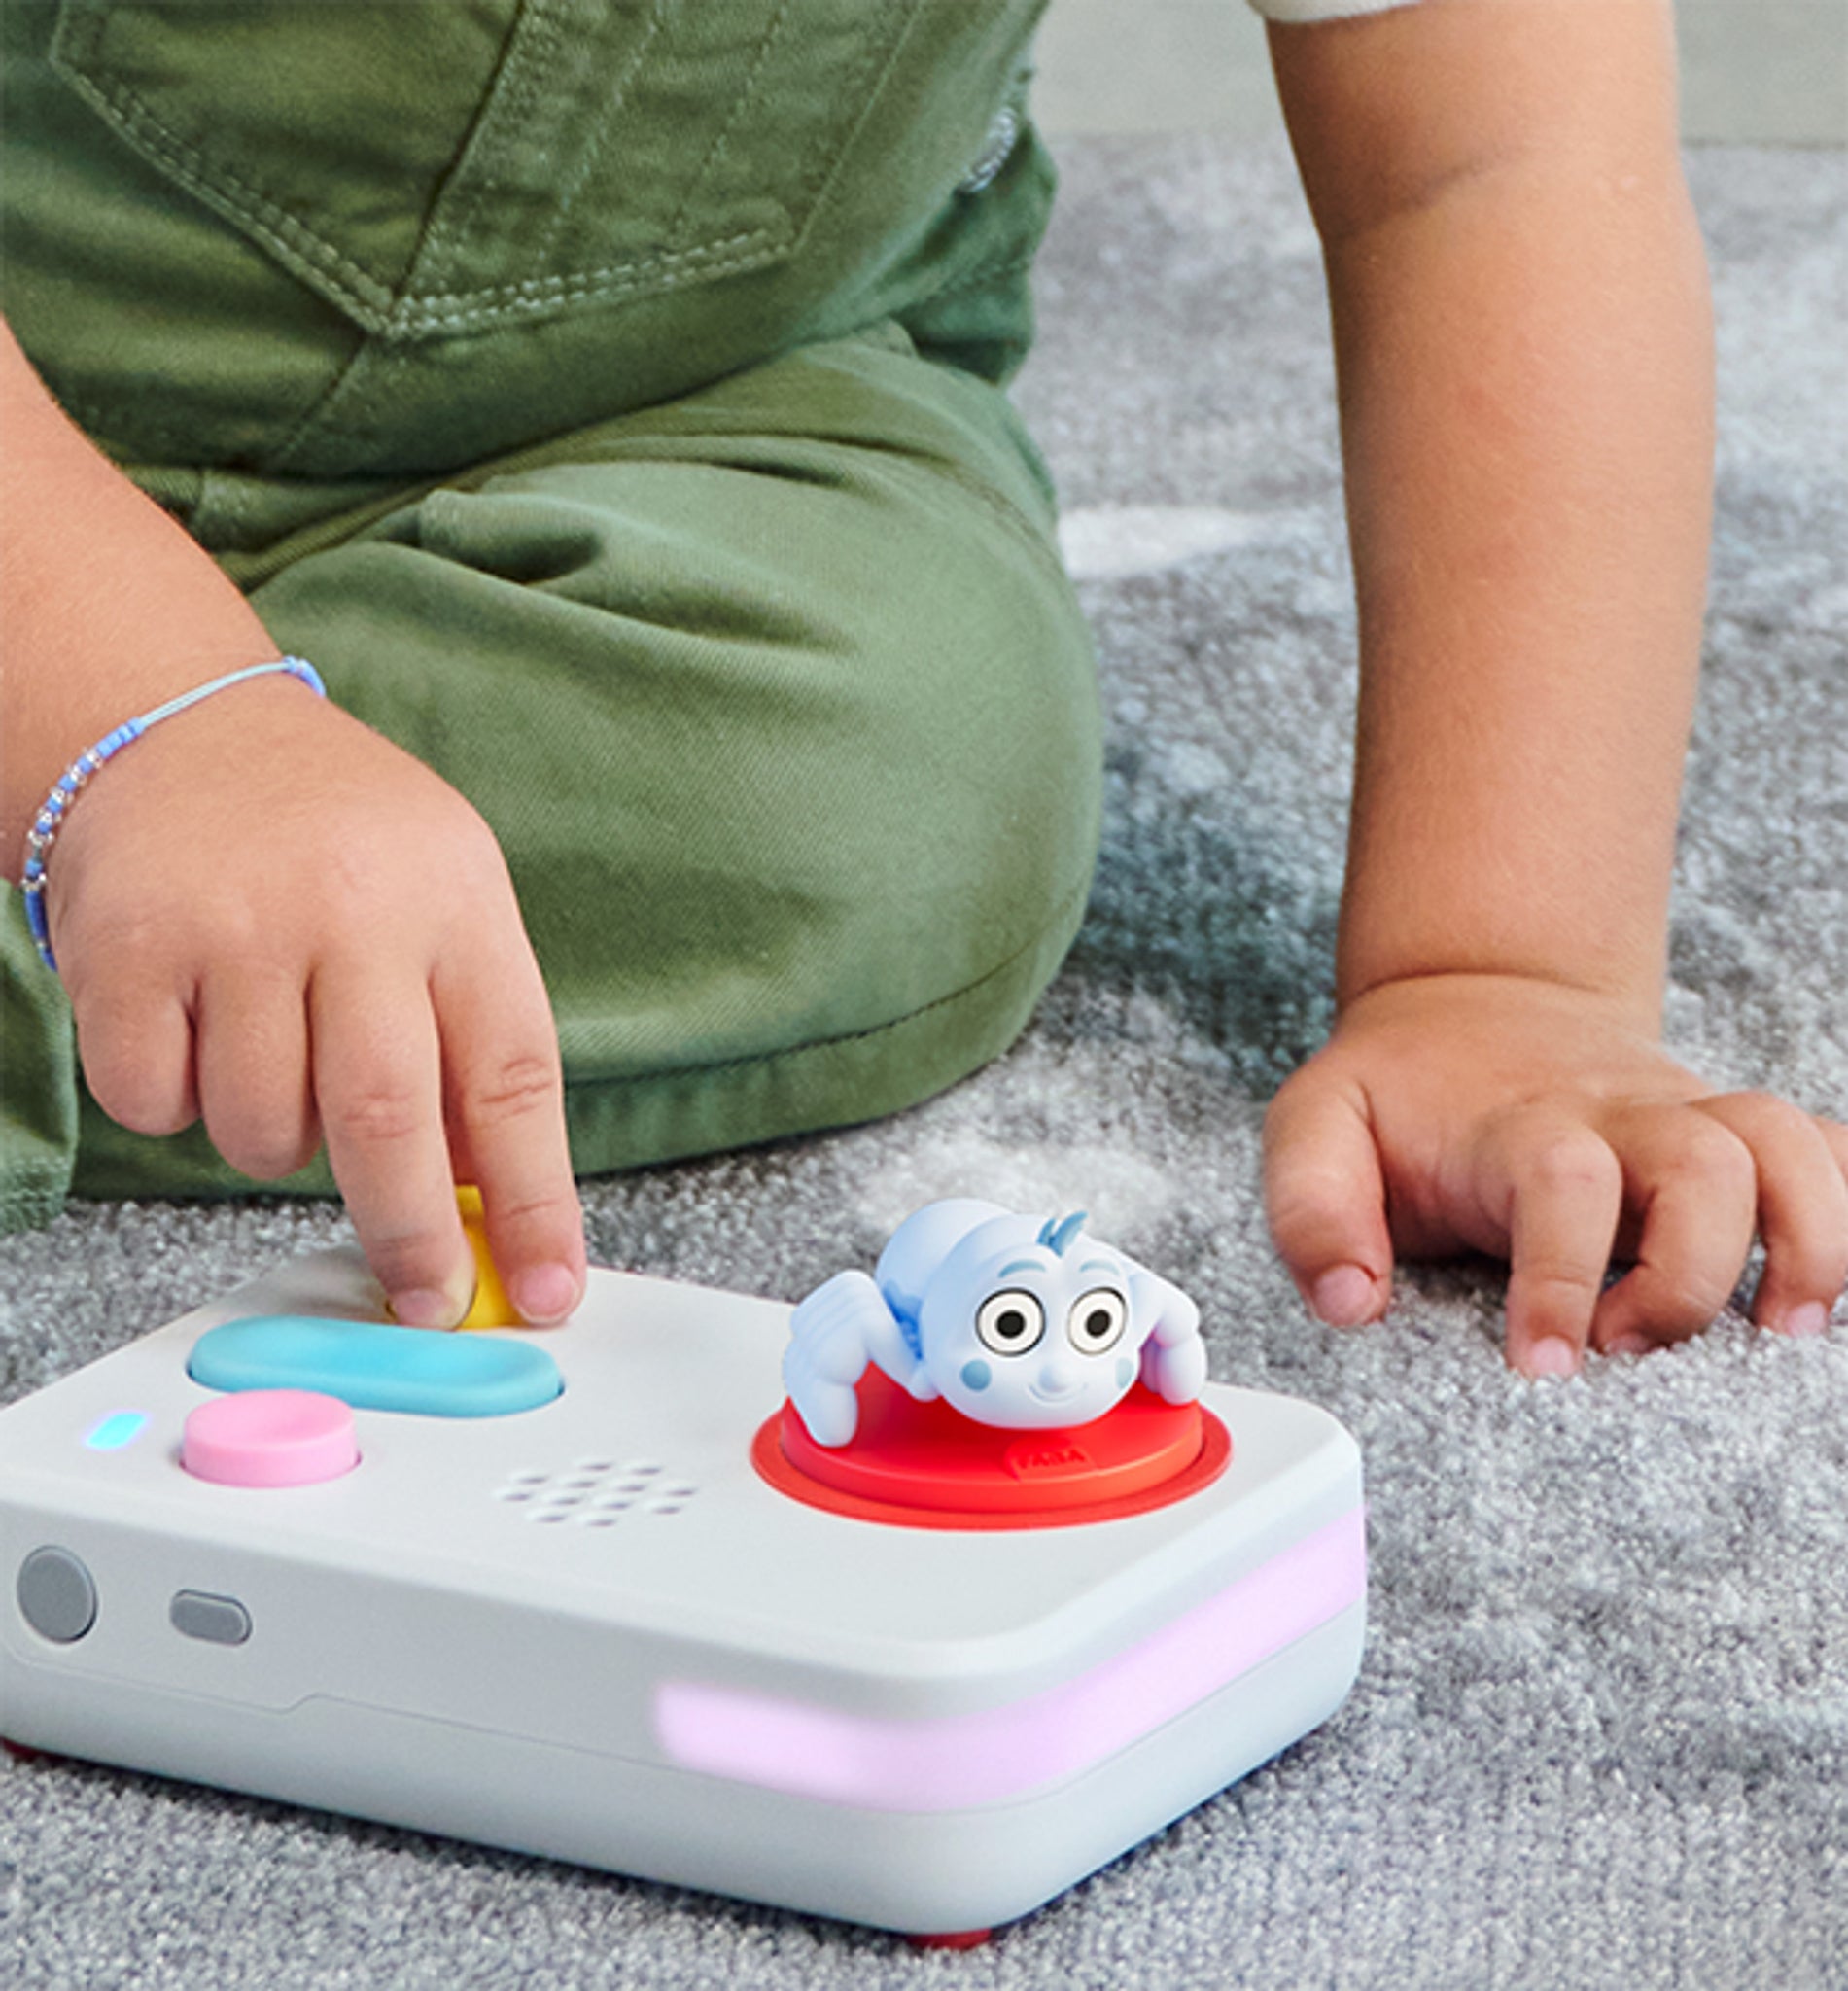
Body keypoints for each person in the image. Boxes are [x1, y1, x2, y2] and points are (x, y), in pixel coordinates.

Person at [4, 0, 1843, 1377]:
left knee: (892, 781)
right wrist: (144, 708)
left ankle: (214, 894)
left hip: (690, 410)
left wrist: (1501, 975)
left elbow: (1495, 165)